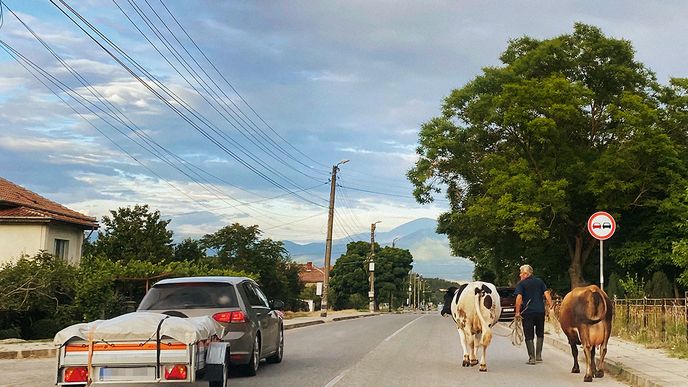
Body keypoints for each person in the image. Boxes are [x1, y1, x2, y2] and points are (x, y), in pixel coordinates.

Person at [514, 264, 553, 365]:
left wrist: (517, 312)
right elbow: (547, 294)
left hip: (527, 313)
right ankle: (539, 355)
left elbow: (518, 298)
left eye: (521, 273)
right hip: (540, 311)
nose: (520, 275)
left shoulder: (521, 284)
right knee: (540, 333)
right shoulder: (539, 281)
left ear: (526, 274)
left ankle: (532, 358)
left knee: (529, 334)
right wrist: (551, 306)